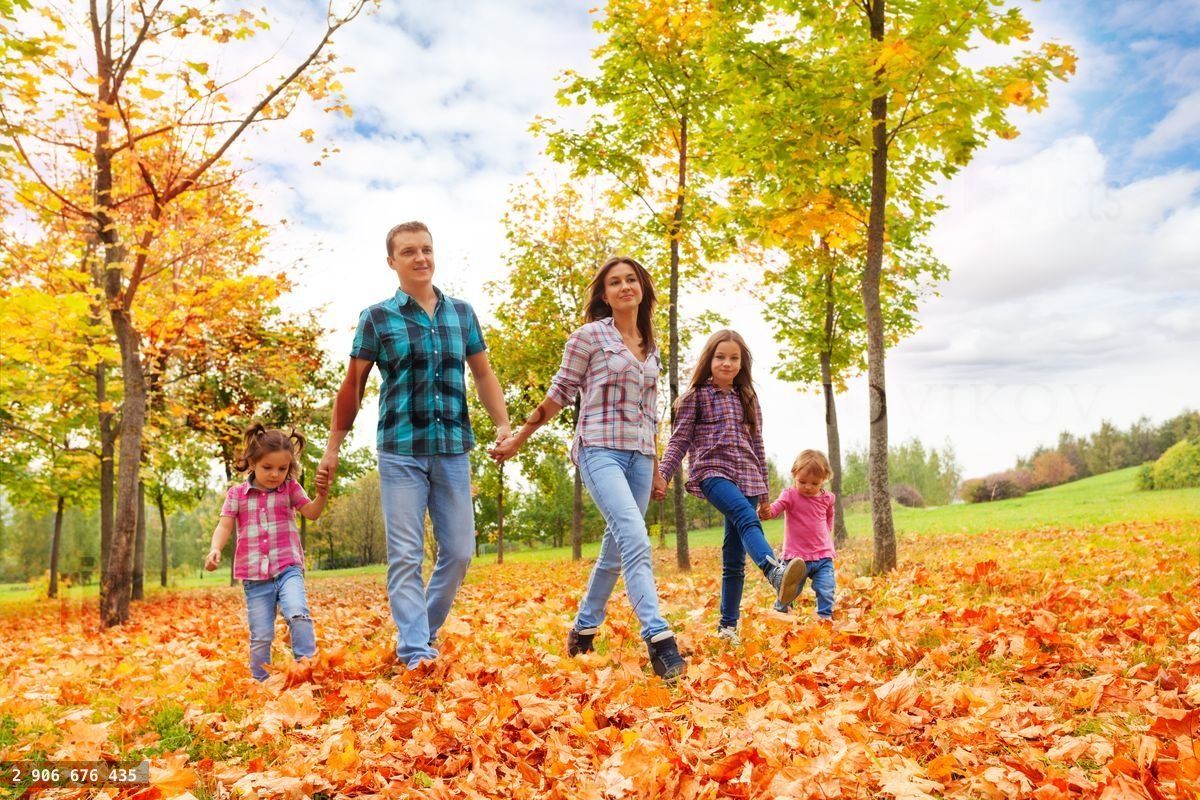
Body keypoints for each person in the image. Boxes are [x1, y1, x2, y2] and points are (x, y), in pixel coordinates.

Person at [316, 221, 511, 669]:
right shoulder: (377, 317)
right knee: (406, 554)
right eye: (408, 252)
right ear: (392, 262)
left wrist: (502, 424)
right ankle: (416, 652)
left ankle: (420, 630)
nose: (420, 258)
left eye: (426, 249)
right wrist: (333, 447)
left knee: (460, 552)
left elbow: (482, 374)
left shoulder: (461, 313)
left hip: (453, 447)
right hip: (400, 449)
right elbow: (353, 385)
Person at [489, 256, 686, 681]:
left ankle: (583, 630)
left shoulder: (651, 346)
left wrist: (655, 467)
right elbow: (559, 393)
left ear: (643, 288)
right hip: (599, 451)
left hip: (639, 456)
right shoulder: (589, 337)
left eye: (631, 279)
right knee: (634, 538)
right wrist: (518, 439)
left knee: (616, 549)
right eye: (614, 282)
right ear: (604, 294)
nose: (624, 287)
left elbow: (650, 412)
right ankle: (660, 640)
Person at [656, 329, 805, 645]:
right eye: (720, 357)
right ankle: (774, 571)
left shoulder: (748, 398)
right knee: (744, 517)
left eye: (733, 358)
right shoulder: (695, 398)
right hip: (712, 472)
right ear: (708, 360)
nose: (727, 363)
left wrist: (764, 493)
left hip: (748, 477)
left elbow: (757, 444)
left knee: (734, 556)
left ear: (742, 362)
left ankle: (727, 628)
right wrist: (663, 474)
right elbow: (680, 440)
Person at [205, 424, 328, 681]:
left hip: (287, 568)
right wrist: (215, 549)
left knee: (297, 613)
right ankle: (261, 682)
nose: (275, 474)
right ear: (252, 463)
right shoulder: (237, 494)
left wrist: (322, 495)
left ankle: (306, 670)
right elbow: (225, 524)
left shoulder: (291, 489)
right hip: (254, 576)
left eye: (282, 469)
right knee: (261, 634)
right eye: (268, 468)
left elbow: (312, 513)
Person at [760, 449, 837, 620]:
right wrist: (767, 512)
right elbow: (775, 509)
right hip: (796, 558)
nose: (808, 487)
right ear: (794, 474)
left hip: (823, 555)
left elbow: (829, 515)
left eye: (814, 483)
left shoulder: (828, 498)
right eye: (802, 482)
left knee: (827, 588)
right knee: (790, 590)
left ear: (824, 479)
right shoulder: (790, 495)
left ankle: (825, 618)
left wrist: (827, 531)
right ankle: (780, 612)